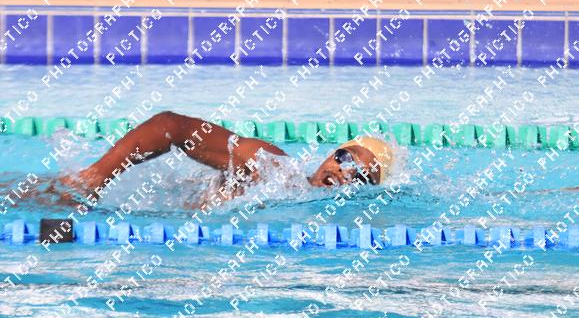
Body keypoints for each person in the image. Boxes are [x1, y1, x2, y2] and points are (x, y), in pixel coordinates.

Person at [56, 111, 393, 203]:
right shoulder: (274, 168)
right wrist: (95, 178)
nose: (346, 173)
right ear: (331, 154)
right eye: (346, 158)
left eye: (361, 176)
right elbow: (171, 126)